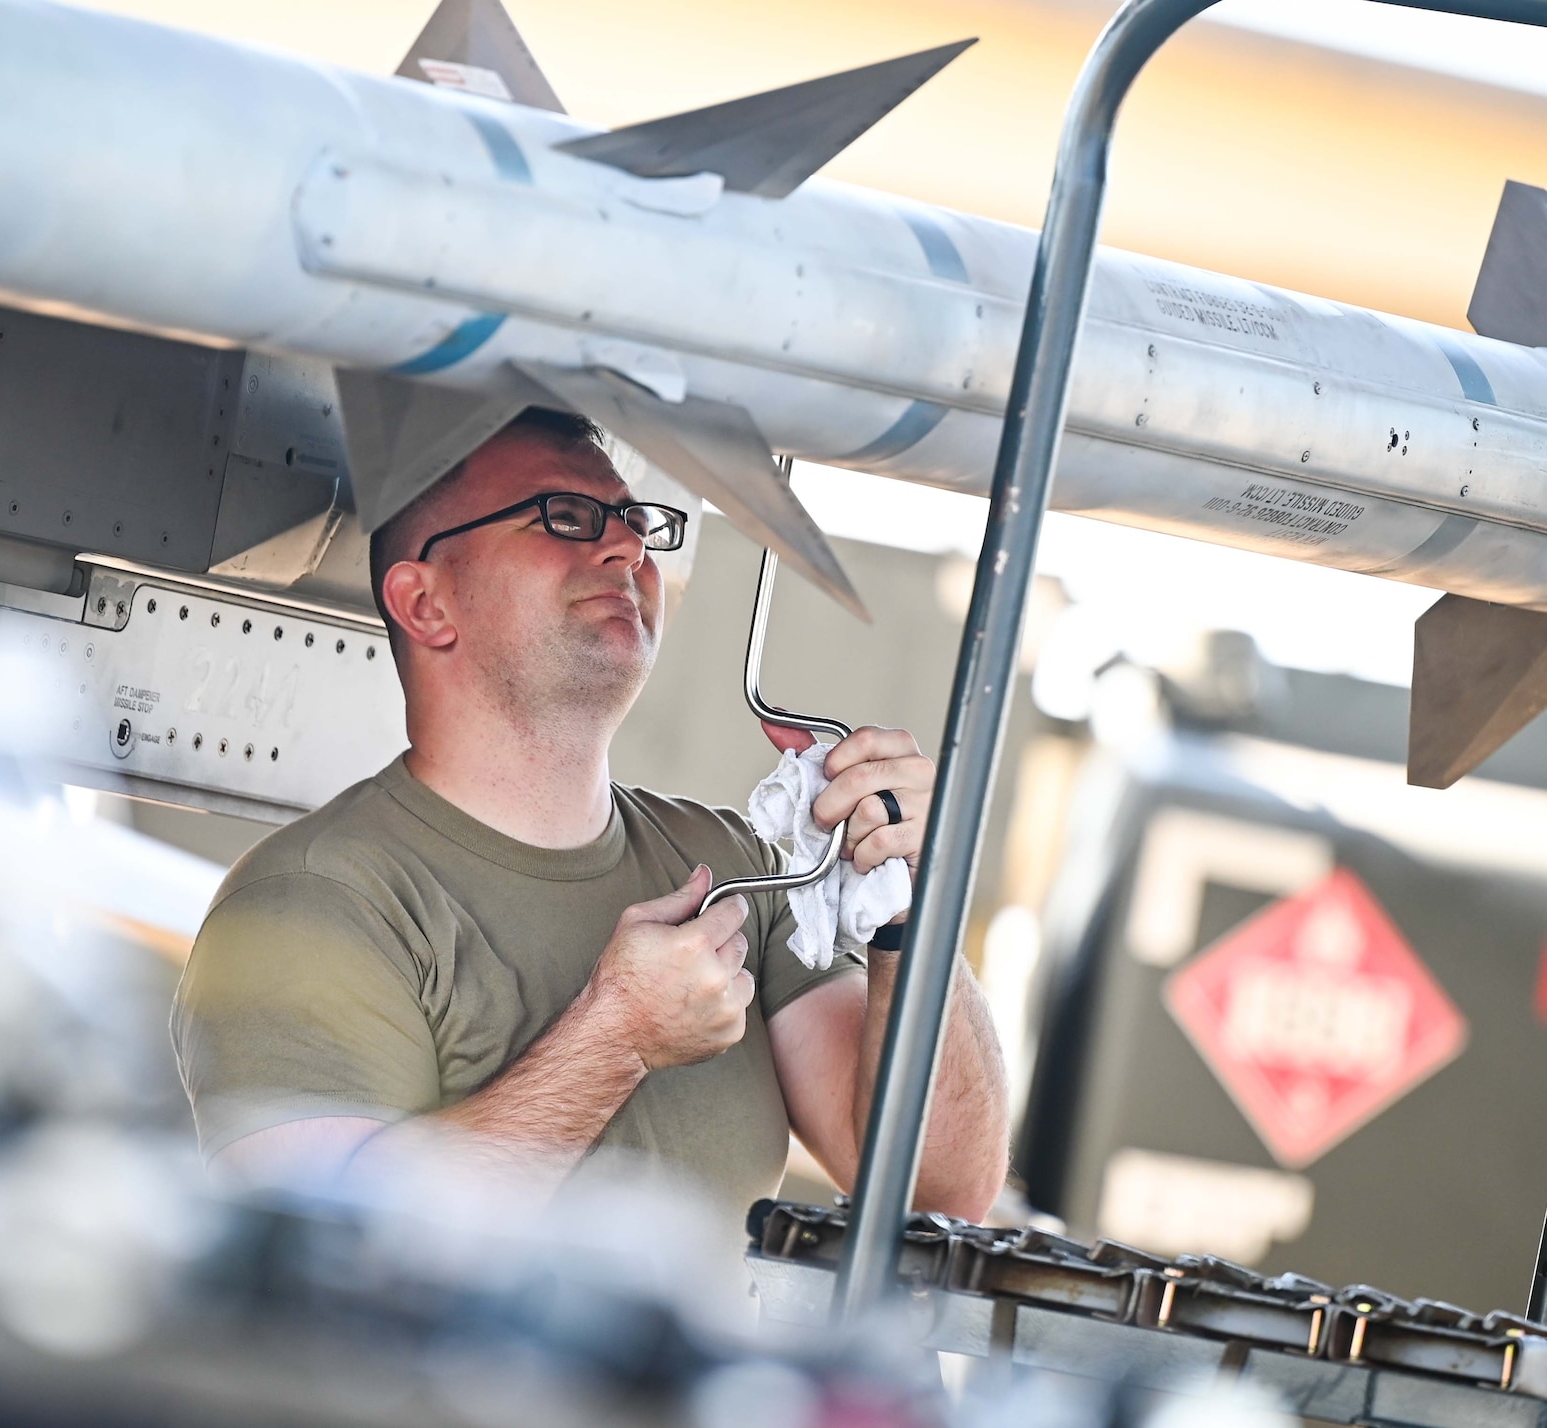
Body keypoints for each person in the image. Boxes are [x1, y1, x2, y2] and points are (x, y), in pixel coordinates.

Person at [171, 408, 1007, 1232]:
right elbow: (323, 1260)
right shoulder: (309, 904)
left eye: (635, 519)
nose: (629, 547)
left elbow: (938, 1191)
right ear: (425, 603)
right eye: (563, 517)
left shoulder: (732, 863)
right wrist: (618, 1036)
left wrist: (915, 909)